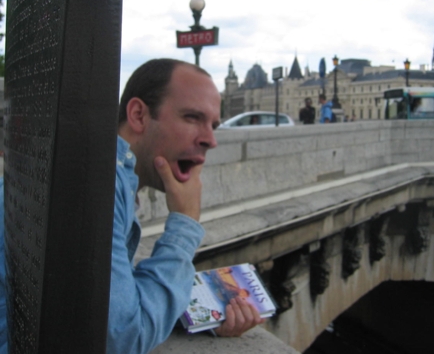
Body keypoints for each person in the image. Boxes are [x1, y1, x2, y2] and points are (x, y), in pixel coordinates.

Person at [0, 59, 263, 354]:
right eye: (192, 117)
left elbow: (107, 301)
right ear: (138, 115)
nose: (210, 140)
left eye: (213, 125)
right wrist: (185, 223)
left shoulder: (101, 169)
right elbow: (121, 338)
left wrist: (196, 313)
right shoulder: (95, 184)